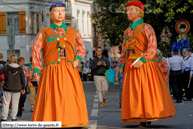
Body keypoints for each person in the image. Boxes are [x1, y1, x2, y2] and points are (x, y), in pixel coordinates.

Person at [31, 2, 88, 127]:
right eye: (57, 11)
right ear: (51, 14)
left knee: (69, 96)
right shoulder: (44, 32)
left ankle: (71, 119)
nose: (61, 13)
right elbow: (35, 50)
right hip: (51, 69)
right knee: (52, 96)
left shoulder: (73, 31)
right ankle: (51, 120)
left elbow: (82, 48)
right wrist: (36, 69)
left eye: (62, 10)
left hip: (69, 69)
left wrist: (77, 59)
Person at [119, 1, 175, 127]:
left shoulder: (146, 27)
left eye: (130, 10)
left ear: (138, 11)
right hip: (131, 66)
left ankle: (146, 117)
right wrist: (122, 64)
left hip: (144, 66)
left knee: (145, 91)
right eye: (127, 10)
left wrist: (143, 60)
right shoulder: (127, 31)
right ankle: (138, 115)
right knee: (134, 93)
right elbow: (124, 49)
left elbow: (152, 47)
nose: (127, 13)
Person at [0, 54, 25, 121]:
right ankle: (14, 117)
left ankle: (4, 117)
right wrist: (23, 88)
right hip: (17, 88)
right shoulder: (20, 69)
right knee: (15, 103)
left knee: (6, 103)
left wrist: (1, 80)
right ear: (15, 60)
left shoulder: (5, 68)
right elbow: (23, 79)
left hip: (7, 87)